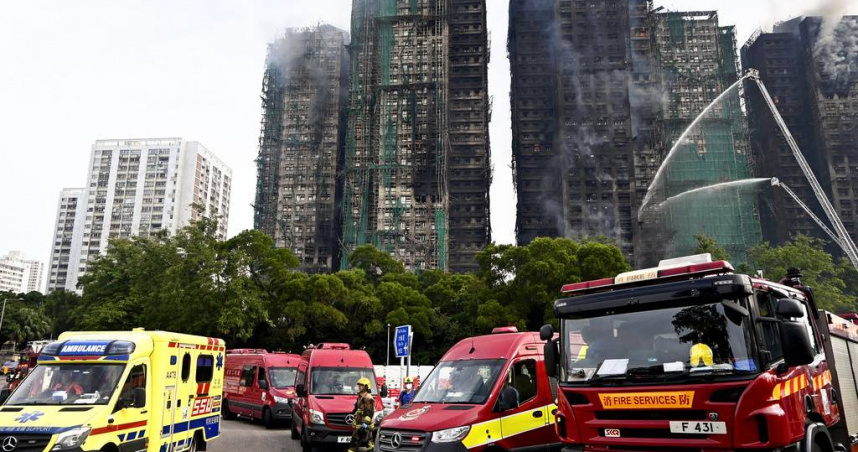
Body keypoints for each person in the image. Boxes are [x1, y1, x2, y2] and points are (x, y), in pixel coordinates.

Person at [348, 377, 375, 452]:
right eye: (359, 385)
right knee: (358, 441)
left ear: (366, 386)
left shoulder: (368, 398)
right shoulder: (360, 396)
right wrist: (354, 417)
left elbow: (370, 413)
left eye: (361, 385)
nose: (359, 387)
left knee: (366, 442)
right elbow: (357, 409)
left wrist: (365, 424)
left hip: (364, 424)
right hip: (359, 423)